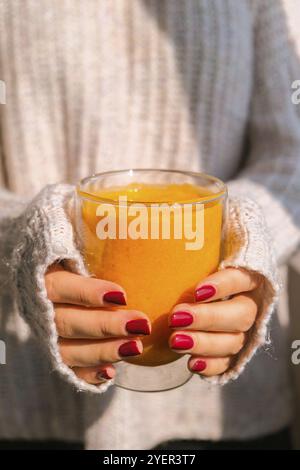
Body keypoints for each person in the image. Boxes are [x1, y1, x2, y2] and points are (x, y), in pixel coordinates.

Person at [0, 0, 299, 450]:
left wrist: (245, 235)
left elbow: (290, 156)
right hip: (29, 400)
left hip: (224, 413)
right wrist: (25, 239)